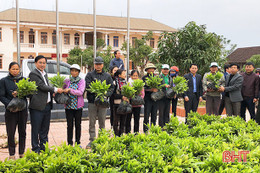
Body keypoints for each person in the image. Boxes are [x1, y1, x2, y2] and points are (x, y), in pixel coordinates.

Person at [29, 55, 63, 153]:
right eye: (40, 62)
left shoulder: (44, 73)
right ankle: (35, 149)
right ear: (35, 63)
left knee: (44, 129)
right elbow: (41, 86)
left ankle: (44, 148)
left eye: (44, 63)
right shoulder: (33, 74)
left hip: (47, 105)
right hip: (37, 107)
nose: (42, 65)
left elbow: (46, 87)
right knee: (36, 129)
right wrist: (55, 89)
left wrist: (51, 92)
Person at [0, 62, 28, 159]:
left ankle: (21, 153)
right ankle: (12, 154)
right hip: (11, 111)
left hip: (22, 111)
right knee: (11, 133)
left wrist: (20, 93)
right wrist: (11, 105)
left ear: (19, 70)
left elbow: (29, 94)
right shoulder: (4, 81)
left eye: (17, 69)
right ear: (9, 70)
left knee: (22, 132)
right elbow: (1, 96)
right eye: (13, 69)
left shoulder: (24, 80)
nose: (15, 71)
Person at [85, 56, 114, 148]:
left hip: (103, 103)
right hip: (92, 102)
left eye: (100, 64)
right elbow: (88, 86)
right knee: (92, 122)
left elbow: (111, 87)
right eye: (96, 64)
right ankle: (92, 140)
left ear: (103, 65)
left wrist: (106, 94)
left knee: (102, 122)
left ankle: (101, 140)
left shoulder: (107, 76)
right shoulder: (89, 75)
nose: (98, 66)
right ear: (94, 65)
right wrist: (97, 91)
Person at [63, 64, 85, 146]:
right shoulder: (67, 80)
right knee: (69, 125)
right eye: (72, 70)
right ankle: (69, 143)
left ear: (78, 72)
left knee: (78, 125)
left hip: (78, 107)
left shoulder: (81, 81)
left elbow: (80, 92)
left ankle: (78, 142)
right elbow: (63, 89)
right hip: (68, 106)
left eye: (76, 71)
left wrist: (70, 90)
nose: (74, 72)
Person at [142, 63, 158, 132]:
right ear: (147, 70)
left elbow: (159, 87)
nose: (151, 70)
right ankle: (145, 130)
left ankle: (153, 130)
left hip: (155, 99)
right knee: (146, 115)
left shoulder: (157, 77)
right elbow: (143, 89)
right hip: (147, 99)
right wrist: (150, 90)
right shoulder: (144, 78)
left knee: (154, 115)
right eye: (150, 69)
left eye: (152, 69)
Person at [112, 69, 128, 136]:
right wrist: (121, 97)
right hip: (117, 104)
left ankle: (121, 135)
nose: (125, 75)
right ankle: (116, 135)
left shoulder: (125, 82)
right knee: (116, 121)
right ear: (119, 75)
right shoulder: (115, 82)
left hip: (124, 104)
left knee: (123, 121)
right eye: (123, 74)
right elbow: (113, 94)